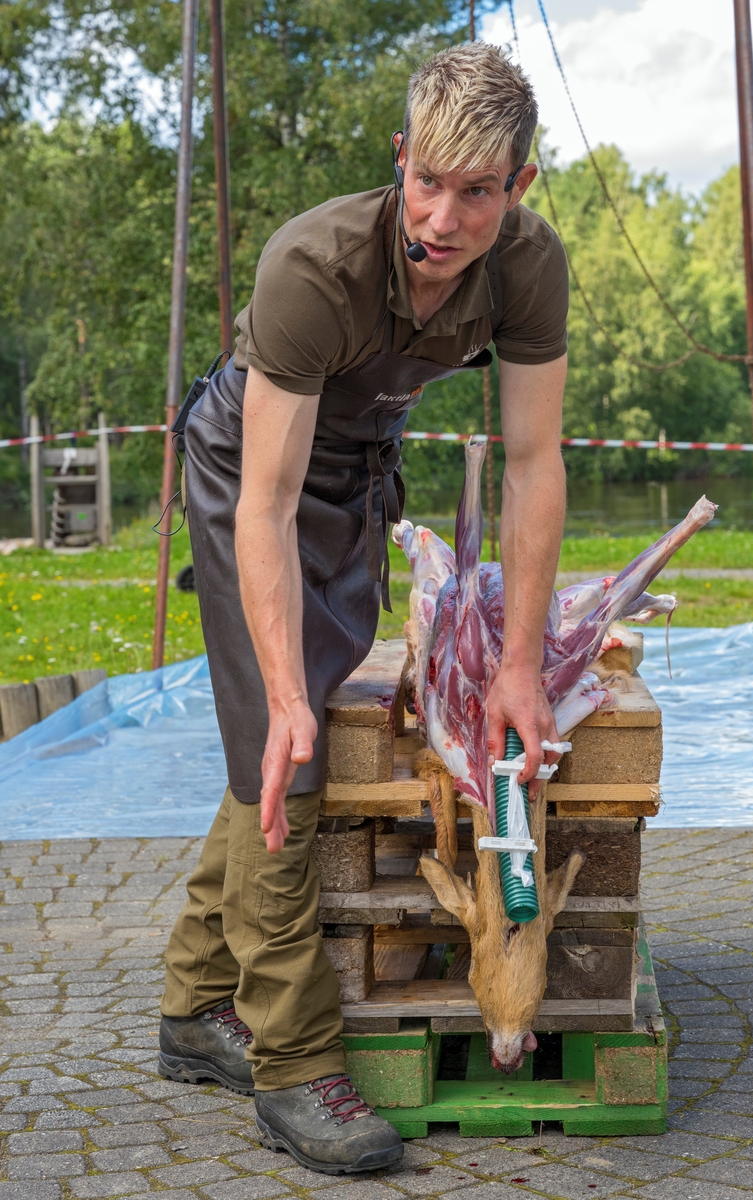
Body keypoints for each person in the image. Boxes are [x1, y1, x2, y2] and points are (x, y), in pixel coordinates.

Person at [158, 40, 569, 1176]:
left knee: (266, 754)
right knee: (288, 752)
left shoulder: (530, 267)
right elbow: (266, 500)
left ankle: (193, 1006)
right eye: (426, 180)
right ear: (401, 159)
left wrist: (522, 664)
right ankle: (291, 1065)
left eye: (476, 191)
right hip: (252, 470)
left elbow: (537, 465)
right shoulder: (314, 264)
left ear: (517, 188)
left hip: (357, 474)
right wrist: (285, 690)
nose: (442, 216)